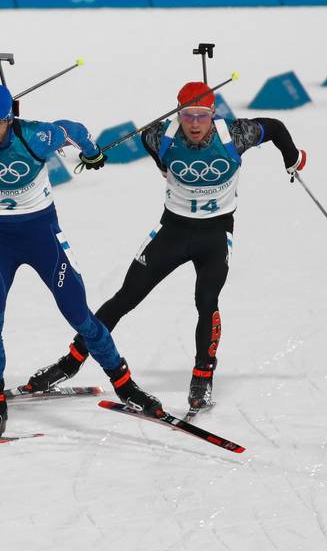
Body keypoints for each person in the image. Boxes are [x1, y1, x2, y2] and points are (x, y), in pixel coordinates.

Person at [25, 81, 307, 415]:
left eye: (202, 115)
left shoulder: (236, 134)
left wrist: (294, 157)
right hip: (174, 230)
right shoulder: (161, 136)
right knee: (125, 297)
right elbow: (147, 140)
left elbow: (275, 128)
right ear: (179, 113)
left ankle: (202, 375)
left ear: (213, 113)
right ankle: (71, 361)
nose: (196, 124)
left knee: (206, 300)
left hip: (215, 235)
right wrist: (162, 165)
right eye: (188, 115)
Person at [0, 83, 164, 438]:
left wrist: (92, 154)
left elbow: (74, 131)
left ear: (9, 118)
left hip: (41, 236)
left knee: (79, 315)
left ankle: (126, 386)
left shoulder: (36, 136)